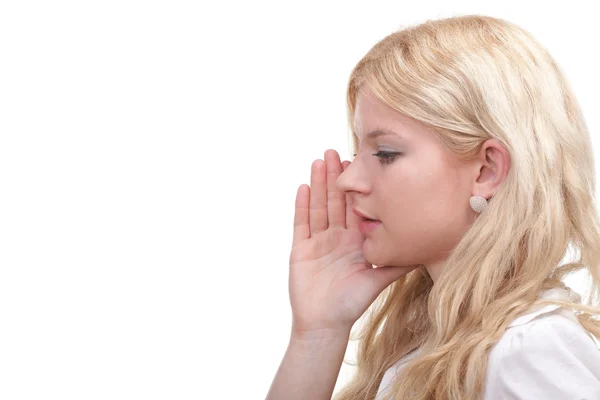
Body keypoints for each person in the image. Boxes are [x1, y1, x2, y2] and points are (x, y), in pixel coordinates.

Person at [265, 14, 600, 400]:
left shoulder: (529, 347)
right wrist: (317, 334)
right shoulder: (429, 342)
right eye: (358, 151)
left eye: (385, 153)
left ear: (487, 171)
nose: (347, 180)